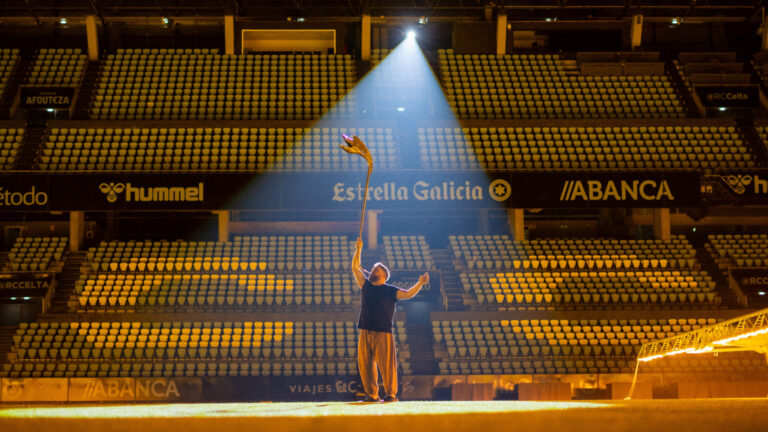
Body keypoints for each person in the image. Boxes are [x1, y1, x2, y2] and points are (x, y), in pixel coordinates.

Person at [351, 237, 429, 403]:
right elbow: (354, 268)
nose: (373, 271)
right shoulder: (366, 285)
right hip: (365, 329)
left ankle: (390, 395)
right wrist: (358, 249)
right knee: (365, 365)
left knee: (387, 365)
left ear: (384, 275)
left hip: (383, 331)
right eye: (373, 269)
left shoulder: (390, 290)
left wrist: (420, 283)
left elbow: (408, 293)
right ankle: (371, 395)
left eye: (376, 270)